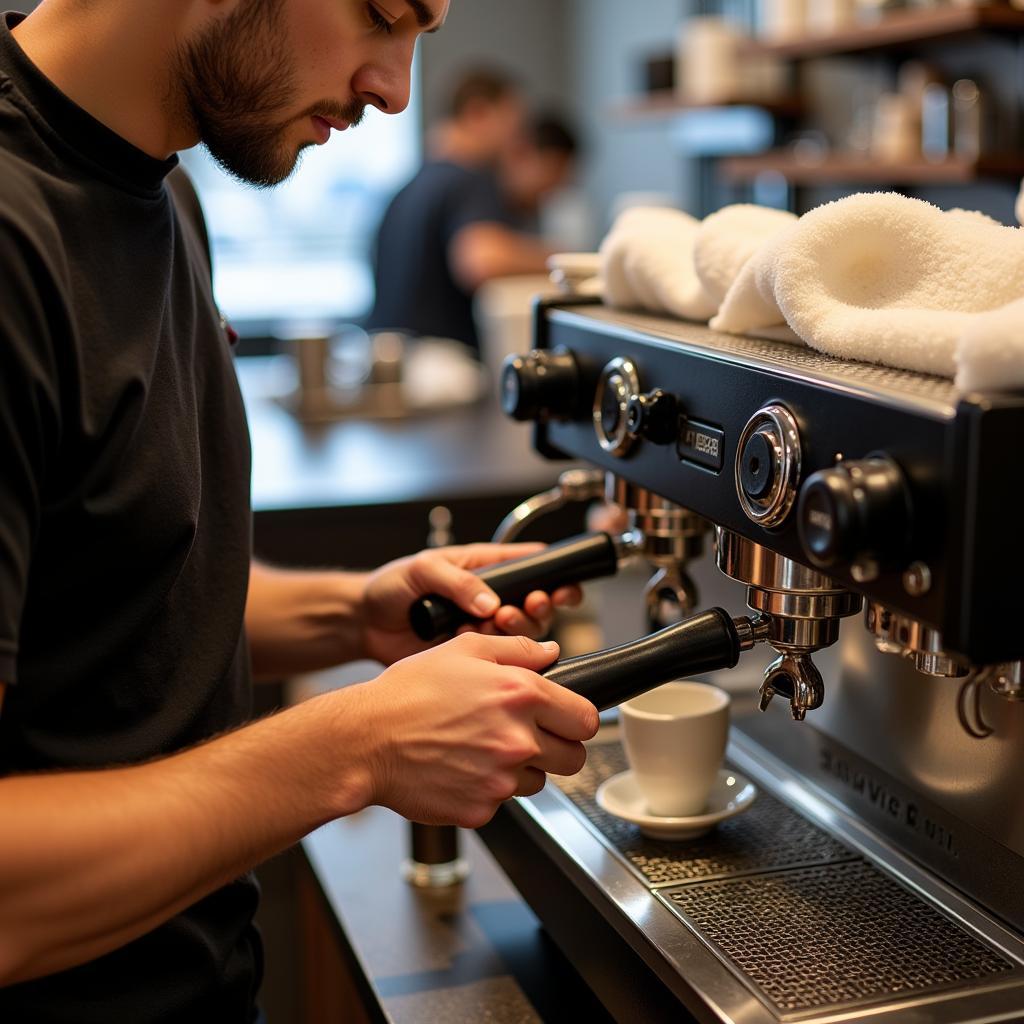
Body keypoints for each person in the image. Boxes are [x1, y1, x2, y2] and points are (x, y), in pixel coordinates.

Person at [0, 2, 601, 1021]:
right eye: (382, 13)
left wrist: (352, 613)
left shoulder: (164, 190)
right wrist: (358, 747)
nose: (395, 88)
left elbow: (117, 594)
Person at [367, 68, 578, 356]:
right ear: (478, 113)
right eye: (513, 124)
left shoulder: (412, 185)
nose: (517, 140)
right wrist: (566, 260)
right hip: (442, 362)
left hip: (389, 353)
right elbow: (481, 259)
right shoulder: (469, 179)